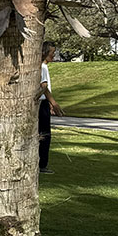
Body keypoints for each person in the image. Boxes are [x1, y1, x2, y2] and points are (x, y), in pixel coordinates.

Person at [38, 41, 64, 174]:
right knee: (44, 134)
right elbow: (43, 87)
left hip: (44, 103)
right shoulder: (42, 67)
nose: (53, 55)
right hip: (41, 104)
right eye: (52, 52)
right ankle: (42, 165)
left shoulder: (43, 67)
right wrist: (54, 103)